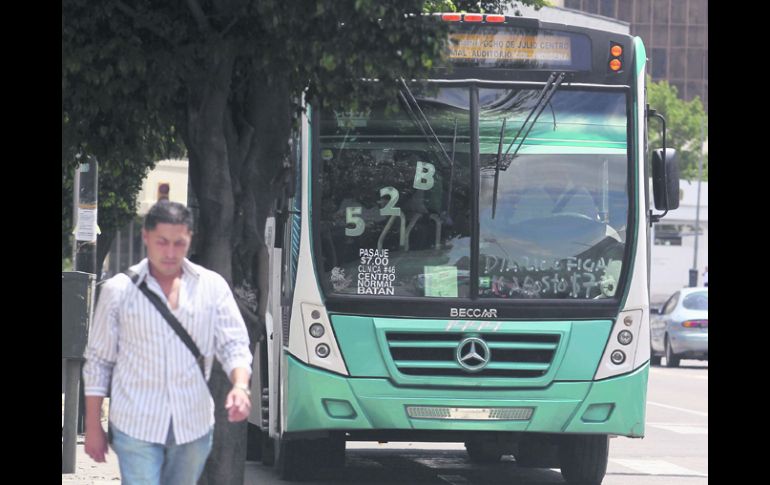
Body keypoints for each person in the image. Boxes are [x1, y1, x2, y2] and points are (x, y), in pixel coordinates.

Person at [82, 200, 253, 485]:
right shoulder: (119, 291)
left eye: (179, 243)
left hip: (193, 425)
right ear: (145, 237)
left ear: (190, 239)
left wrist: (240, 385)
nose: (170, 253)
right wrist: (92, 426)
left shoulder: (211, 287)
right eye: (162, 242)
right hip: (135, 425)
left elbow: (234, 344)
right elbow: (99, 361)